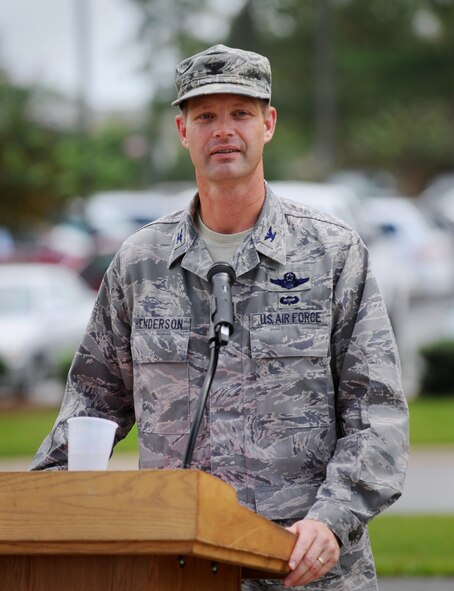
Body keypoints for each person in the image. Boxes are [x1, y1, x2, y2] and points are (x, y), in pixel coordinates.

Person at [31, 45, 409, 590]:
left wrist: (332, 521)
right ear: (182, 131)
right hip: (174, 566)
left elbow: (377, 415)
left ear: (268, 123)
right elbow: (92, 404)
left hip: (301, 569)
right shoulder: (141, 263)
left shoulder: (332, 254)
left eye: (241, 113)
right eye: (206, 116)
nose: (223, 130)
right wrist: (40, 508)